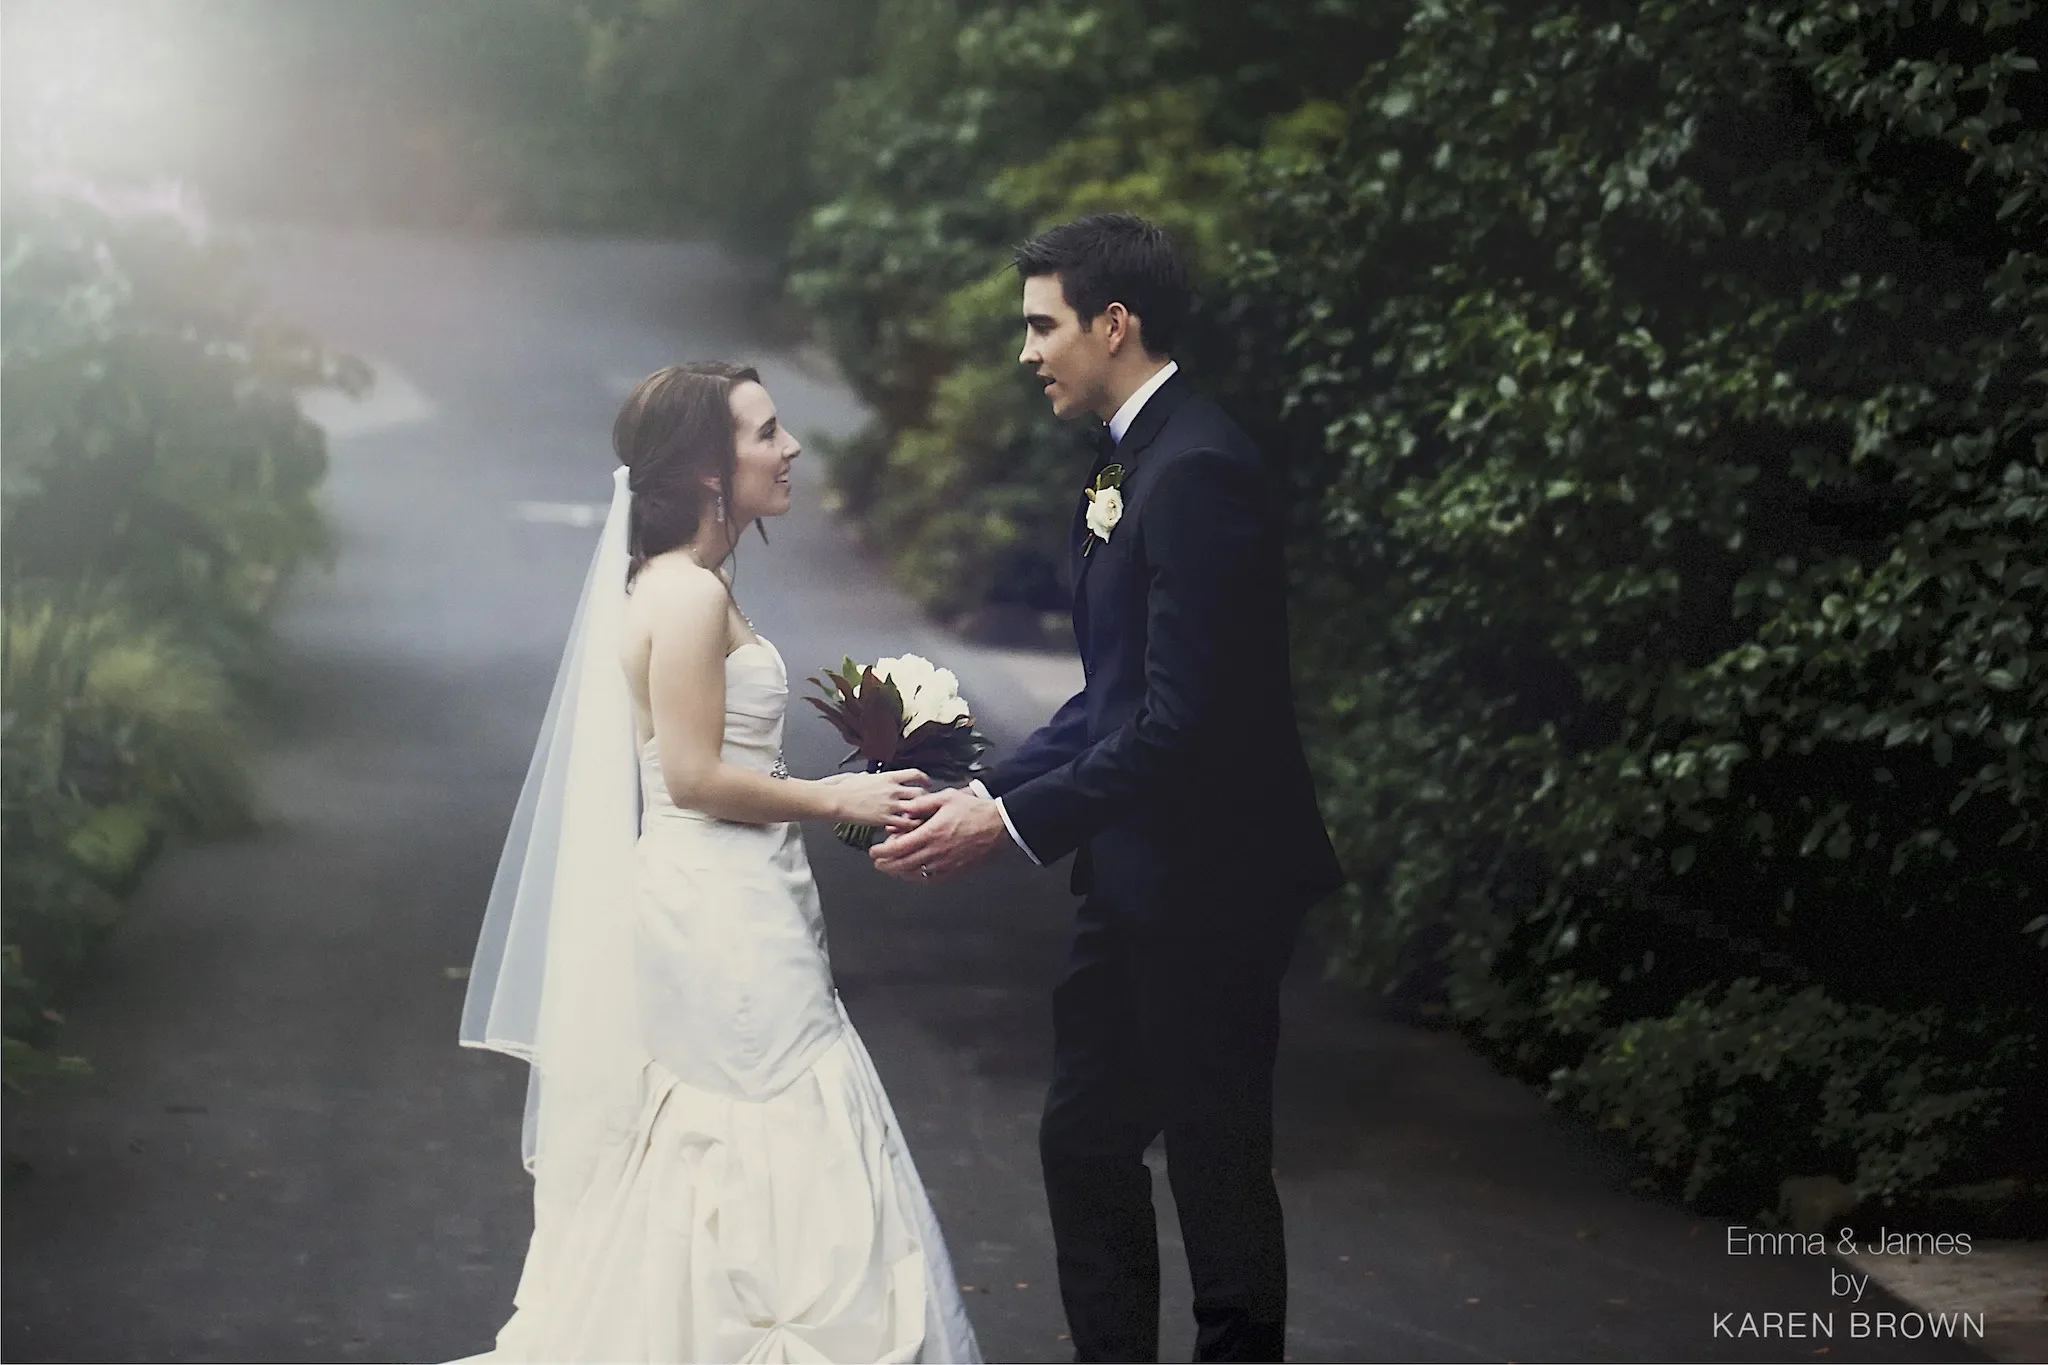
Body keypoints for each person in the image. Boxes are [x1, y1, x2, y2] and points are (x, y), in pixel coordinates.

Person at [872, 216, 1345, 1363]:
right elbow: (1113, 697)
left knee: (1214, 1159)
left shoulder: (1199, 470)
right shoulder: (1126, 460)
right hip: (1133, 874)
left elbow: (1186, 722)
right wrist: (979, 793)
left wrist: (1012, 824)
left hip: (1214, 883)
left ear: (1112, 324)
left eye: (1042, 325)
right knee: (1084, 1143)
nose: (1026, 351)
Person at [459, 362, 983, 1364]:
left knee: (743, 1126)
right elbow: (694, 776)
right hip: (716, 907)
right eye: (765, 434)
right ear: (707, 471)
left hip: (729, 893)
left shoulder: (682, 584)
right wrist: (838, 797)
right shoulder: (689, 597)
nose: (789, 450)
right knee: (769, 1118)